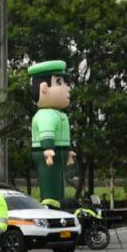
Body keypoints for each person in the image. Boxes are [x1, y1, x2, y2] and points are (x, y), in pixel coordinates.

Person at [29, 60, 76, 204]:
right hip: (47, 153)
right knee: (50, 181)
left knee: (58, 181)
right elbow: (46, 133)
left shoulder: (58, 114)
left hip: (59, 152)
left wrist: (69, 151)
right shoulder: (45, 114)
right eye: (59, 82)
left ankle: (58, 202)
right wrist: (48, 149)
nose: (67, 88)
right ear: (44, 88)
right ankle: (50, 203)